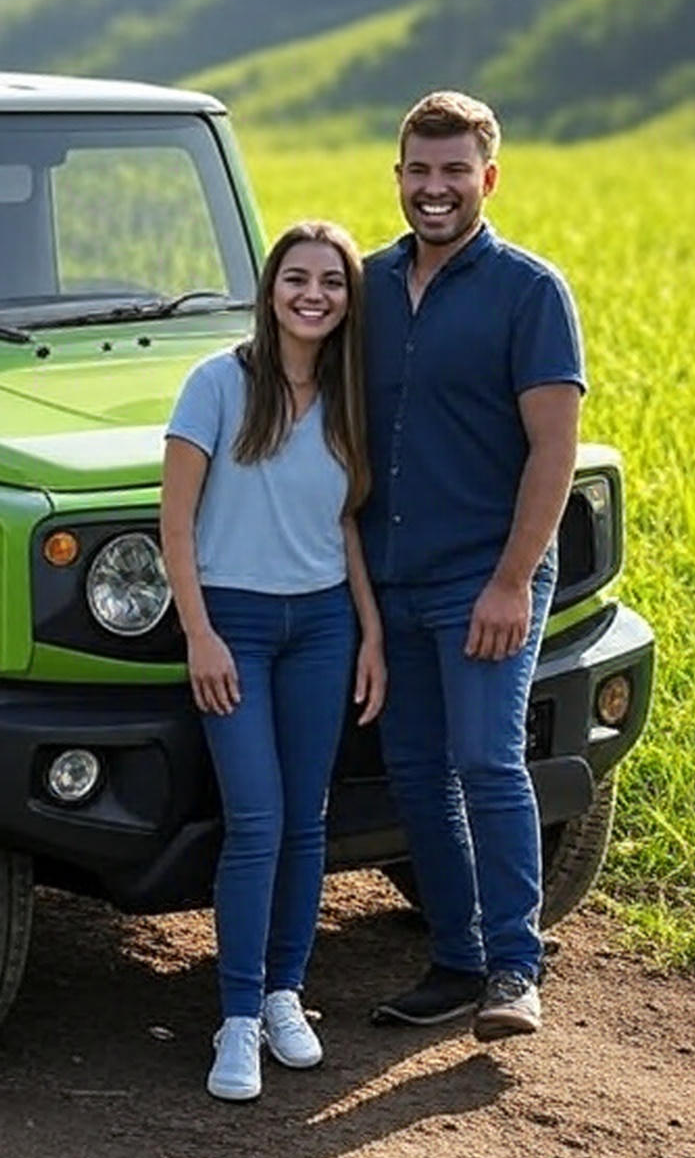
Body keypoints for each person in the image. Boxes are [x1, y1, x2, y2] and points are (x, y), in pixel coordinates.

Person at [360, 91, 584, 1040]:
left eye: (455, 171)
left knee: (487, 762)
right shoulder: (366, 286)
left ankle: (515, 968)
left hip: (484, 575)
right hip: (390, 577)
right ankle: (457, 960)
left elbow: (554, 449)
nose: (435, 188)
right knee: (416, 771)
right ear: (399, 176)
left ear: (487, 177)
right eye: (420, 170)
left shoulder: (530, 292)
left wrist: (511, 580)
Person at [161, 221, 386, 1102]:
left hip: (324, 625)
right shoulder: (217, 383)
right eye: (298, 278)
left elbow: (345, 525)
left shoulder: (347, 396)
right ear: (271, 289)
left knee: (306, 820)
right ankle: (237, 1019)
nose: (313, 296)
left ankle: (286, 993)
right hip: (237, 626)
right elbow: (175, 523)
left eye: (332, 283)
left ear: (348, 300)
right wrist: (200, 634)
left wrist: (370, 634)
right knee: (256, 820)